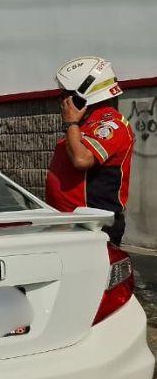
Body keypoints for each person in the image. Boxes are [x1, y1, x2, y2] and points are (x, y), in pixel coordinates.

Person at [45, 56, 134, 245]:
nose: (61, 100)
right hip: (70, 224)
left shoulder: (112, 125)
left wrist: (71, 122)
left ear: (82, 95)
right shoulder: (84, 125)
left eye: (65, 94)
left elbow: (81, 160)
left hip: (92, 226)